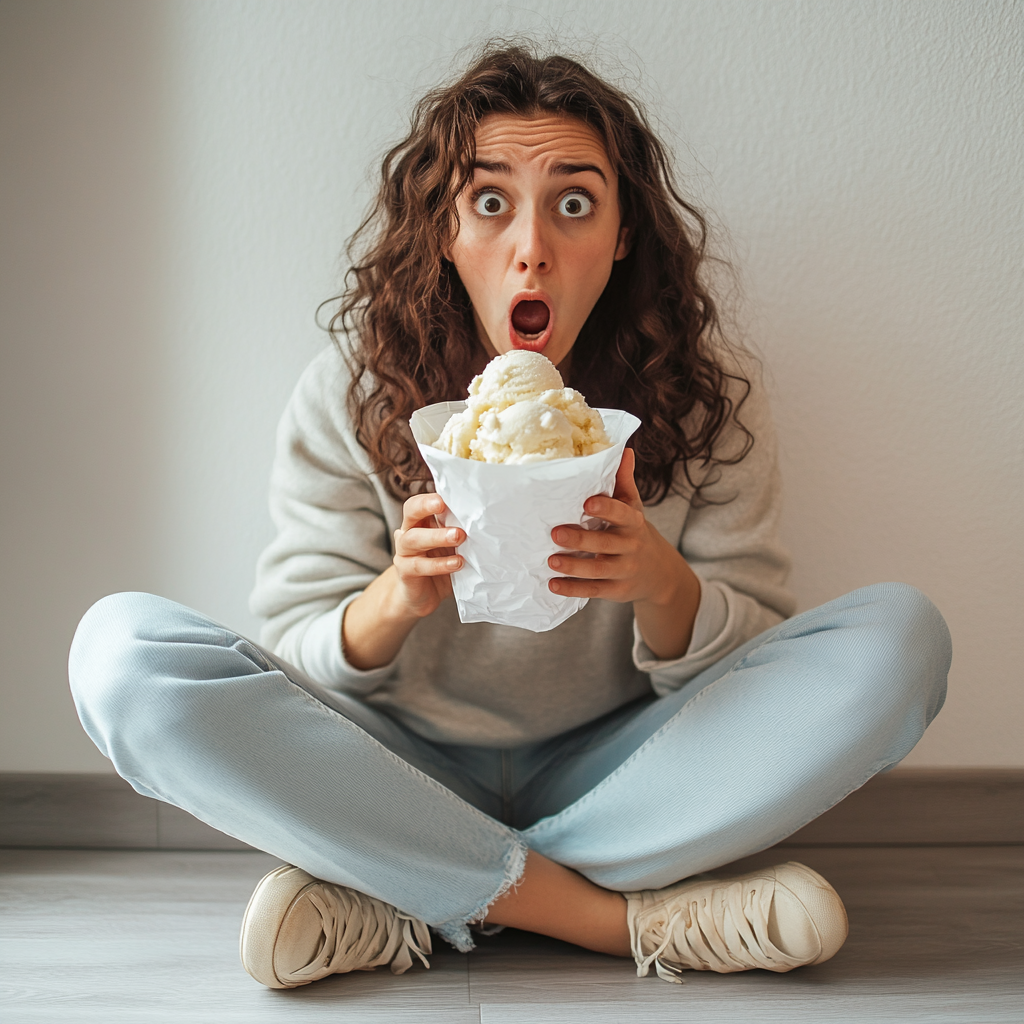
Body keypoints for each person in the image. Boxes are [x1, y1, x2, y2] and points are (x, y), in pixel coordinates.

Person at [68, 44, 951, 989]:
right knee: (120, 656)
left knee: (903, 638)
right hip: (397, 763)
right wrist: (399, 595)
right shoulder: (351, 395)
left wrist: (660, 582)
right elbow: (297, 649)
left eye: (574, 202)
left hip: (619, 767)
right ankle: (615, 921)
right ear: (445, 229)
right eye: (491, 201)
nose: (532, 245)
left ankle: (401, 887)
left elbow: (755, 668)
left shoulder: (698, 406)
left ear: (621, 236)